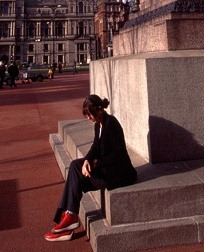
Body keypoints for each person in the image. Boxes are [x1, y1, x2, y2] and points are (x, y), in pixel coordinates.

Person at [44, 95, 137, 242]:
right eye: (86, 115)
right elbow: (95, 147)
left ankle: (68, 217)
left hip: (120, 174)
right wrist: (87, 160)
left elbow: (118, 154)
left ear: (99, 109)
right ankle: (69, 217)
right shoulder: (98, 124)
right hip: (108, 170)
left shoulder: (111, 123)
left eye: (90, 114)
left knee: (76, 175)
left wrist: (95, 164)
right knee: (76, 166)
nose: (88, 117)